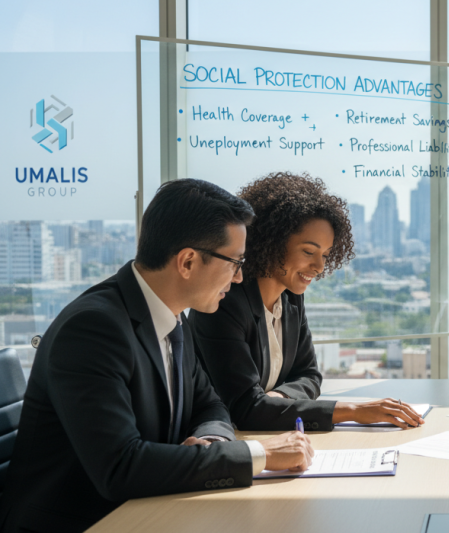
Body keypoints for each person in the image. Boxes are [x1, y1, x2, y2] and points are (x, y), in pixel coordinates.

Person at [0, 179, 313, 533]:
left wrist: (212, 445)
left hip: (146, 509)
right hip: (82, 521)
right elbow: (120, 468)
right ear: (188, 262)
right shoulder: (93, 329)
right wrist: (259, 454)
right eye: (235, 262)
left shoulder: (171, 316)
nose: (240, 277)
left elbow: (210, 406)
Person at [189, 172, 423, 431]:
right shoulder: (223, 303)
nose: (320, 266)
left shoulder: (291, 299)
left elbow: (309, 376)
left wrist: (279, 399)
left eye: (325, 254)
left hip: (266, 437)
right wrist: (353, 411)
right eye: (309, 252)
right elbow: (246, 408)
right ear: (272, 241)